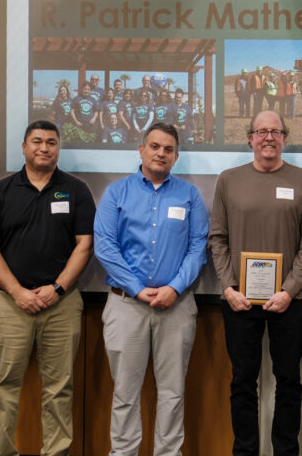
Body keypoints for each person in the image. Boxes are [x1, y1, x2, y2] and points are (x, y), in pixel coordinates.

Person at [0, 120, 95, 456]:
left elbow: (85, 245)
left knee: (60, 388)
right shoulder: (0, 191)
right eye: (37, 141)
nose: (44, 148)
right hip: (9, 303)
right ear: (24, 147)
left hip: (62, 304)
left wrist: (57, 288)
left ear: (58, 148)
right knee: (3, 386)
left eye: (51, 142)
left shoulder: (76, 190)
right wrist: (18, 292)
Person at [94, 122, 209, 456]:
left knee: (173, 392)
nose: (161, 153)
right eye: (155, 146)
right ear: (141, 150)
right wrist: (136, 288)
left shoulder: (189, 195)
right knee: (125, 393)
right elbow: (105, 247)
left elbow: (198, 247)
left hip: (176, 307)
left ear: (176, 156)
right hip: (126, 305)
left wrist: (174, 287)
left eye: (168, 149)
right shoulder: (116, 192)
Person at [208, 110, 302, 456]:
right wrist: (229, 288)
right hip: (239, 301)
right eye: (261, 131)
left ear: (285, 138)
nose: (268, 137)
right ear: (250, 139)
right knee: (243, 382)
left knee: (289, 382)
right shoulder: (228, 180)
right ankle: (245, 451)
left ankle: (286, 451)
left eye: (275, 131)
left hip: (290, 302)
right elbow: (218, 238)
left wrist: (288, 291)